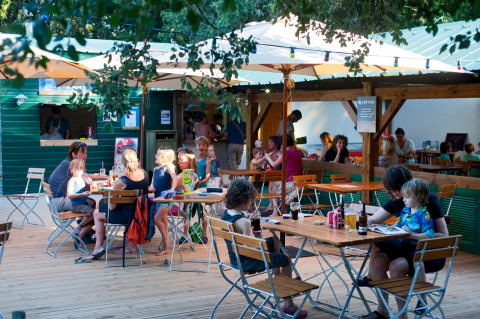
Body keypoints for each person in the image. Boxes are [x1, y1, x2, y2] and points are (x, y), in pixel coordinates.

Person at [357, 165, 448, 319]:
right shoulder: (399, 201)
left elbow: (444, 236)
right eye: (391, 190)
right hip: (405, 247)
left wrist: (412, 235)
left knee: (396, 266)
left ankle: (402, 315)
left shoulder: (427, 200)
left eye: (396, 189)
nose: (394, 193)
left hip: (425, 253)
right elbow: (376, 219)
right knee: (377, 262)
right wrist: (368, 221)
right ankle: (382, 311)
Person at [221, 179, 308, 319]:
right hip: (246, 261)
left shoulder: (226, 214)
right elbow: (254, 250)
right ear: (243, 200)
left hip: (236, 257)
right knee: (285, 259)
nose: (251, 204)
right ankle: (289, 304)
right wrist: (259, 235)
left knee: (275, 241)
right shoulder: (243, 222)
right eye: (250, 201)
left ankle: (279, 279)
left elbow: (245, 243)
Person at [89, 149, 149, 260]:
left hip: (126, 215)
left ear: (122, 163)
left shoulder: (122, 181)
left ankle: (98, 246)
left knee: (97, 213)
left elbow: (112, 206)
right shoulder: (144, 174)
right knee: (100, 204)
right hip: (140, 214)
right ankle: (128, 243)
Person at [48, 142, 102, 241]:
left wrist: (102, 178)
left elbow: (86, 175)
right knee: (96, 211)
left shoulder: (69, 163)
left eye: (86, 153)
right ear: (74, 154)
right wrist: (100, 180)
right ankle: (80, 231)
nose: (86, 156)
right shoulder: (69, 165)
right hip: (58, 202)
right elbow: (86, 177)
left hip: (58, 200)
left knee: (93, 203)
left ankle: (85, 230)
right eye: (83, 153)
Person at [148, 147, 178, 256]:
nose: (155, 156)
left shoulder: (168, 166)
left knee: (156, 219)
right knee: (164, 224)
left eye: (157, 154)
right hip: (157, 198)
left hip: (166, 198)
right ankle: (166, 248)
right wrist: (151, 188)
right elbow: (152, 184)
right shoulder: (156, 169)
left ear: (163, 156)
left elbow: (175, 178)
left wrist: (172, 189)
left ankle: (165, 238)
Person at [266, 134, 303, 215]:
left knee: (273, 188)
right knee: (276, 185)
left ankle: (275, 212)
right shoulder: (297, 152)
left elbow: (274, 164)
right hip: (300, 181)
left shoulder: (286, 153)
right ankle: (289, 210)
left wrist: (268, 157)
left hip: (292, 181)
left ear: (282, 143)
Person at [66, 159, 96, 240]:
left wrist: (92, 183)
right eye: (76, 168)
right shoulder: (72, 181)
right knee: (94, 213)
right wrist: (82, 194)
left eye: (81, 168)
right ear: (71, 169)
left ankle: (79, 237)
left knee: (96, 215)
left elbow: (90, 182)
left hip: (83, 203)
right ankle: (80, 227)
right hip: (76, 205)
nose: (79, 170)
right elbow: (69, 195)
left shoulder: (82, 177)